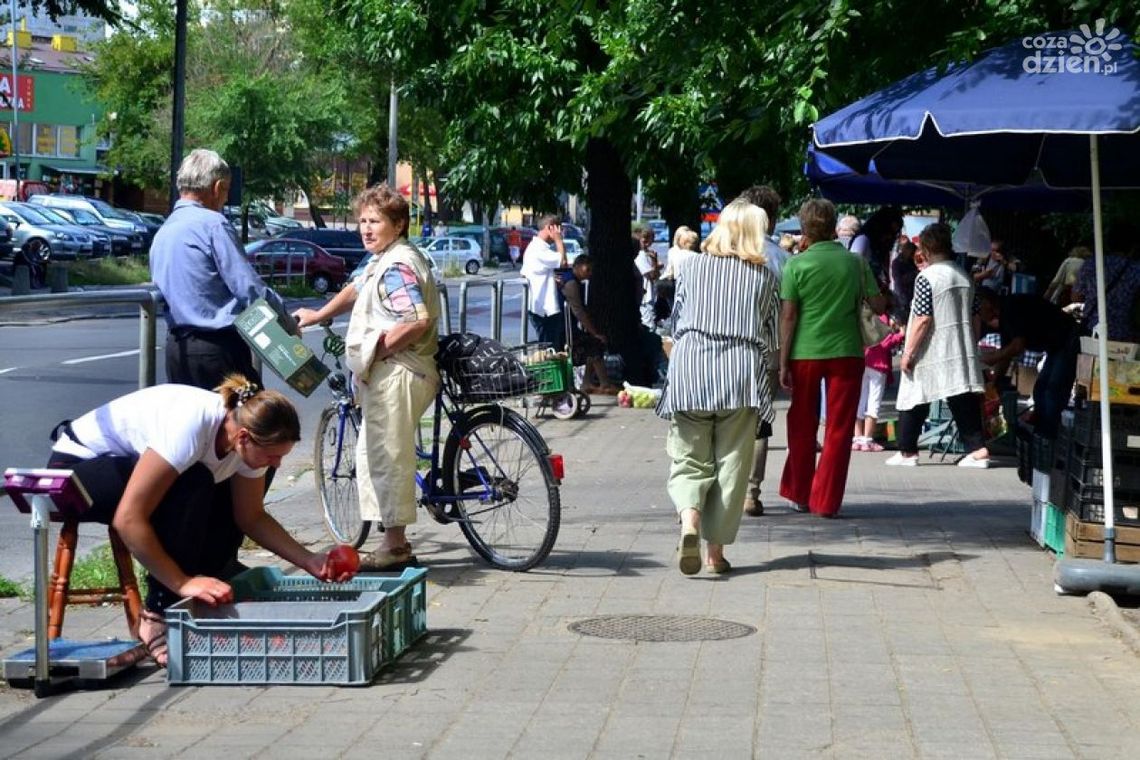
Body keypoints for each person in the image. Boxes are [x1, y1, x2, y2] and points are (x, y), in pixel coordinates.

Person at [45, 377, 346, 667]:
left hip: (129, 472)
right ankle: (156, 615)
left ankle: (205, 592)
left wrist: (309, 561)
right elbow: (128, 519)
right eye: (271, 456)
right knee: (195, 482)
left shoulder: (243, 439)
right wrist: (183, 582)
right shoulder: (189, 428)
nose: (277, 464)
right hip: (73, 474)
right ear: (243, 437)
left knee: (216, 497)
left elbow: (250, 516)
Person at [296, 185, 440, 571]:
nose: (365, 228)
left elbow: (416, 319)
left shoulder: (396, 266)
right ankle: (393, 540)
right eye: (362, 220)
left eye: (375, 220)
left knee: (386, 456)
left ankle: (395, 546)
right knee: (379, 453)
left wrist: (379, 350)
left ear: (398, 224)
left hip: (399, 373)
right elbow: (356, 287)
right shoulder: (385, 259)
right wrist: (319, 315)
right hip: (402, 371)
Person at [656, 199, 779, 575]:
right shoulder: (765, 277)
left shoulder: (691, 267)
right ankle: (715, 555)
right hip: (739, 374)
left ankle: (689, 521)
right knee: (731, 465)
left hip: (691, 367)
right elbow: (769, 336)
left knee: (689, 458)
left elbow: (675, 323)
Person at [150, 149, 295, 389]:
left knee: (197, 425)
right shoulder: (213, 225)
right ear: (217, 188)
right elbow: (248, 288)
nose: (226, 199)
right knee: (255, 423)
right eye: (226, 191)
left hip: (177, 350)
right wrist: (286, 322)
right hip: (217, 350)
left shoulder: (164, 231)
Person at [778, 199, 887, 518]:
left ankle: (798, 493)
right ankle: (825, 501)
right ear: (833, 225)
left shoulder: (795, 265)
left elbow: (788, 317)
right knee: (839, 428)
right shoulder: (855, 262)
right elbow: (878, 305)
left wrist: (783, 362)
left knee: (801, 423)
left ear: (804, 228)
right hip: (847, 352)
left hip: (804, 353)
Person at [886, 223, 991, 468]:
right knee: (962, 394)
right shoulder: (965, 277)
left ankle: (907, 450)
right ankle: (977, 449)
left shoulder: (927, 278)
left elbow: (923, 318)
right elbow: (975, 316)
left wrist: (908, 352)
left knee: (914, 395)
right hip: (961, 345)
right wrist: (972, 344)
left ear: (927, 248)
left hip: (933, 346)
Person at [737, 184, 789, 518]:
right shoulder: (782, 257)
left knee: (724, 416)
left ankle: (718, 488)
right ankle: (750, 494)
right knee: (759, 420)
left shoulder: (726, 251)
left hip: (728, 345)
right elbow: (788, 311)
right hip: (767, 347)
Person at [976, 289, 1080, 440]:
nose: (979, 315)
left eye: (979, 310)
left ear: (988, 304)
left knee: (1052, 391)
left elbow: (1017, 346)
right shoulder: (1005, 317)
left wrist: (993, 357)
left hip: (1066, 339)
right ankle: (1041, 433)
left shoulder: (1011, 309)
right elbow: (1007, 353)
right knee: (1040, 390)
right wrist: (995, 380)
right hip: (1055, 345)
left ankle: (1047, 437)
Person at [561, 254, 619, 395]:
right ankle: (604, 383)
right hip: (564, 330)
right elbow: (579, 311)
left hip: (569, 326)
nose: (589, 274)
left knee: (592, 345)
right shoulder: (571, 284)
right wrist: (595, 333)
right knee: (594, 343)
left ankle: (587, 382)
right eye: (588, 269)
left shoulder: (573, 281)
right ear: (578, 266)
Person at [1073, 224, 1140, 342]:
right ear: (1133, 247)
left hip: (1092, 330)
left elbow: (1076, 297)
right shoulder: (1135, 270)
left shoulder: (1091, 264)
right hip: (1125, 335)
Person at [853, 314, 904, 452]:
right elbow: (885, 342)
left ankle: (857, 438)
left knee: (860, 401)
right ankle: (867, 440)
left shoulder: (864, 314)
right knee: (873, 402)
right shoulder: (882, 316)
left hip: (864, 361)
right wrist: (901, 334)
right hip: (878, 365)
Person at [520, 214, 569, 349]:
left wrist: (550, 280)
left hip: (542, 307)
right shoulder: (538, 249)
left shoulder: (536, 247)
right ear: (550, 228)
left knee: (550, 347)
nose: (560, 233)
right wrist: (559, 241)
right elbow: (563, 262)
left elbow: (527, 273)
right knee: (549, 350)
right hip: (544, 308)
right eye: (558, 229)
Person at [634, 228, 662, 329]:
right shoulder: (641, 256)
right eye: (644, 241)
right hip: (645, 297)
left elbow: (656, 274)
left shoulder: (647, 254)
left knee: (651, 321)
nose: (646, 244)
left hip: (649, 294)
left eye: (649, 241)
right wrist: (655, 262)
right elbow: (653, 275)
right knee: (649, 324)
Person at [891, 241, 919, 324]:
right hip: (902, 296)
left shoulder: (911, 262)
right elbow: (898, 280)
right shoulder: (897, 263)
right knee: (903, 321)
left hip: (912, 293)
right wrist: (913, 274)